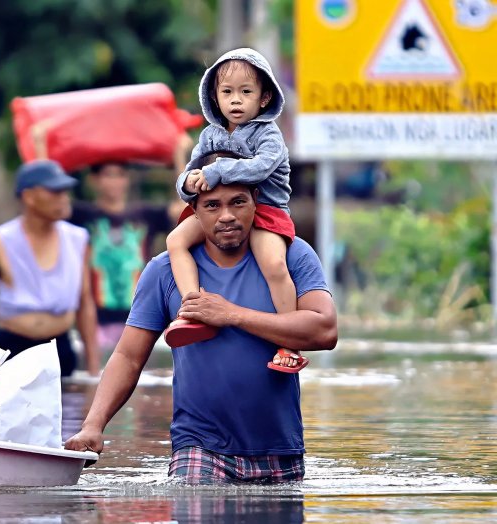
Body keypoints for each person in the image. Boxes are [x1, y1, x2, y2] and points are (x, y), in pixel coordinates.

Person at [65, 180, 338, 484]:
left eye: (238, 202)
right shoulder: (164, 271)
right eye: (212, 205)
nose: (226, 216)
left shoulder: (290, 254)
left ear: (256, 200)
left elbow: (324, 330)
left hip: (280, 448)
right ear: (193, 209)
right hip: (198, 447)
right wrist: (93, 425)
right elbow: (128, 357)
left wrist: (231, 314)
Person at [164, 48, 305, 373]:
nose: (236, 100)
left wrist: (216, 172)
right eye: (227, 92)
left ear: (265, 98)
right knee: (175, 241)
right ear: (214, 97)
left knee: (273, 263)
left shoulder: (269, 134)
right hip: (221, 211)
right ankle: (193, 309)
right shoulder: (210, 135)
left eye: (246, 92)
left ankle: (290, 341)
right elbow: (190, 171)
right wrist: (188, 184)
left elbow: (260, 167)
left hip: (265, 210)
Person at [0, 160, 100, 377]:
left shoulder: (78, 239)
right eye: (55, 192)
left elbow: (85, 303)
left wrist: (93, 368)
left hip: (58, 349)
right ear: (29, 197)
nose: (64, 198)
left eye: (65, 191)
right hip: (11, 347)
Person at [68, 163, 183, 352]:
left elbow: (184, 209)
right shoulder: (81, 216)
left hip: (140, 319)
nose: (115, 181)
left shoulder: (144, 215)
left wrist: (178, 158)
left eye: (120, 175)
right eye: (108, 175)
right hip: (94, 322)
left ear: (128, 179)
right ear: (93, 180)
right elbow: (49, 199)